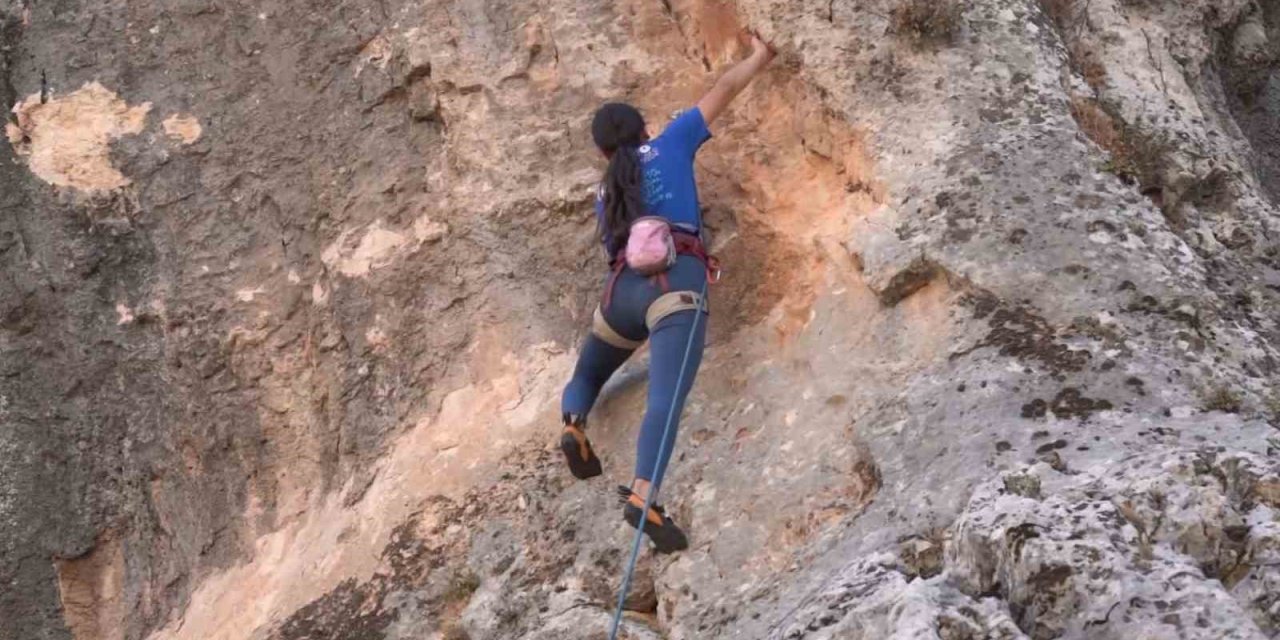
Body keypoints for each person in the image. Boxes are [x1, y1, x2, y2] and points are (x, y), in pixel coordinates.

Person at [559, 33, 776, 553]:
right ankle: (643, 495)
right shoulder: (672, 142)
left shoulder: (604, 191)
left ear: (600, 150)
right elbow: (724, 87)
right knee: (665, 397)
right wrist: (761, 54)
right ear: (645, 129)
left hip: (619, 299)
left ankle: (573, 421)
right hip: (674, 288)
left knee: (588, 371)